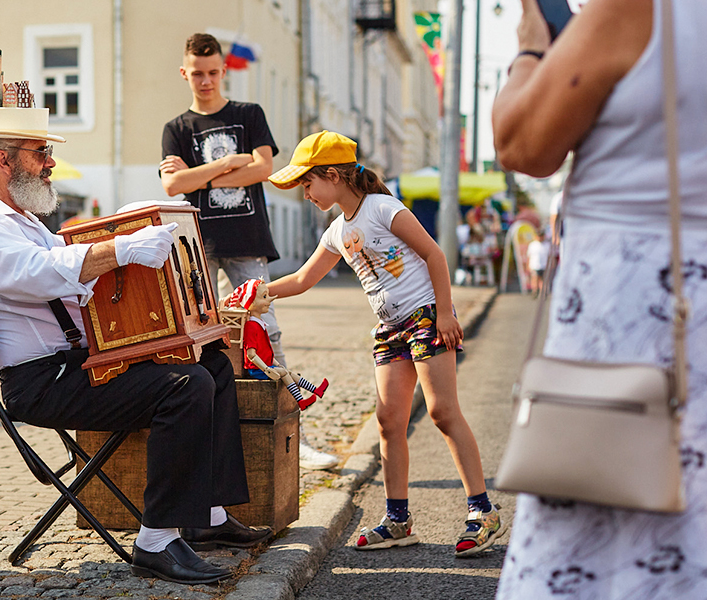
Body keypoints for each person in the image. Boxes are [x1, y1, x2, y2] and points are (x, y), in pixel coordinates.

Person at [492, 0, 707, 597]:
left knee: (612, 519)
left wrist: (530, 46)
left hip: (640, 309)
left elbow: (522, 145)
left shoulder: (637, 9)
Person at [0, 91, 270, 586]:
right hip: (40, 382)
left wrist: (135, 236)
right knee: (184, 386)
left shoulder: (25, 221)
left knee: (212, 362)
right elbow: (43, 273)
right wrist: (122, 247)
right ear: (5, 161)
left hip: (78, 363)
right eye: (40, 153)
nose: (51, 163)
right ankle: (156, 540)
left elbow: (76, 268)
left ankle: (207, 516)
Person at [264, 130, 505, 557]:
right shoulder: (338, 230)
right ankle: (397, 520)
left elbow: (434, 255)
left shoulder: (381, 208)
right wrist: (257, 294)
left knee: (442, 411)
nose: (304, 194)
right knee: (388, 421)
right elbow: (303, 279)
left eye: (306, 184)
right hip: (389, 329)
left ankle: (483, 511)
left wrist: (446, 313)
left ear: (332, 175)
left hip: (425, 316)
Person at [160, 33, 338, 471]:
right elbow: (172, 186)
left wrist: (199, 175)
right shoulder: (176, 128)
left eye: (213, 72)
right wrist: (227, 164)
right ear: (185, 73)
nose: (205, 80)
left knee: (266, 332)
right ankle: (228, 438)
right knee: (208, 339)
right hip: (198, 248)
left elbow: (264, 168)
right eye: (197, 73)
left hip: (247, 243)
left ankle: (294, 435)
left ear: (224, 71)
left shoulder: (248, 114)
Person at [224, 278, 328, 410]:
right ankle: (300, 401)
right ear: (250, 301)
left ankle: (316, 390)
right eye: (264, 297)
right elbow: (251, 354)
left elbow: (264, 350)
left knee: (287, 371)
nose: (269, 300)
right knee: (284, 374)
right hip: (257, 369)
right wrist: (266, 369)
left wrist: (275, 363)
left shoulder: (259, 324)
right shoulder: (251, 326)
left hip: (265, 365)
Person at [526, 230, 550, 297]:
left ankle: (543, 292)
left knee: (543, 279)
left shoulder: (547, 245)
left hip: (544, 265)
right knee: (535, 278)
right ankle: (535, 291)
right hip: (534, 265)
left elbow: (550, 256)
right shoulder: (532, 245)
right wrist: (527, 265)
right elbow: (528, 256)